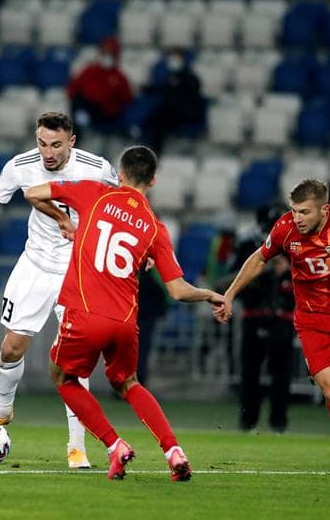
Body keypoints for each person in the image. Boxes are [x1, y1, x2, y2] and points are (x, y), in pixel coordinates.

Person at [24, 145, 225, 481]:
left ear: (119, 174)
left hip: (84, 313)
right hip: (124, 322)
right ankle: (173, 450)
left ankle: (114, 444)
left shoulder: (96, 194)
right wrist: (209, 295)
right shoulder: (154, 227)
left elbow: (33, 193)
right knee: (128, 382)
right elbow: (177, 289)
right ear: (153, 181)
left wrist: (62, 219)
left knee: (63, 378)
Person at [0, 112, 119, 469]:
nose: (47, 152)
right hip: (34, 267)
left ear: (72, 141)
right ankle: (2, 412)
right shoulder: (21, 166)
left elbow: (122, 206)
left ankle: (77, 447)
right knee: (11, 347)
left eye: (55, 144)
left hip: (77, 272)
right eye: (41, 143)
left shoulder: (96, 168)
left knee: (74, 358)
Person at [214, 179, 330, 476]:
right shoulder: (285, 228)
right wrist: (230, 294)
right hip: (313, 321)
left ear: (323, 210)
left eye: (304, 212)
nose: (297, 218)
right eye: (294, 211)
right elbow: (259, 258)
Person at [230, 204, 295, 433]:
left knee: (281, 373)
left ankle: (279, 422)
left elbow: (308, 282)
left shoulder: (294, 247)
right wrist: (257, 273)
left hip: (284, 318)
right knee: (250, 373)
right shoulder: (248, 244)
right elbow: (233, 278)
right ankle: (247, 422)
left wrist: (287, 270)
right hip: (254, 314)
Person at [140, 48, 205, 152]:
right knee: (153, 116)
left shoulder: (190, 77)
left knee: (158, 120)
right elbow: (159, 88)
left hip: (183, 113)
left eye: (177, 58)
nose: (174, 61)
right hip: (168, 112)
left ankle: (155, 152)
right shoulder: (169, 77)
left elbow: (192, 95)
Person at [67, 37, 133, 134]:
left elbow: (126, 98)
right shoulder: (89, 71)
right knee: (77, 102)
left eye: (111, 53)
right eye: (105, 53)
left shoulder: (119, 76)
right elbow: (73, 88)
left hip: (109, 113)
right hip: (89, 109)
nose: (107, 56)